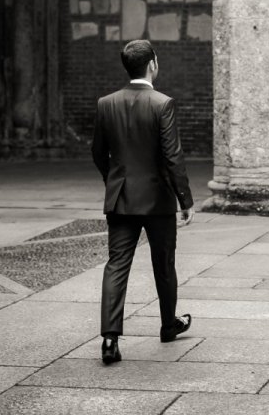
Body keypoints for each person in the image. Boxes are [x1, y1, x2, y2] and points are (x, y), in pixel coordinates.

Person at [92, 39, 194, 364]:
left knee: (116, 265)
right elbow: (172, 156)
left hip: (120, 197)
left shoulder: (105, 103)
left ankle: (110, 340)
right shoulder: (163, 103)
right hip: (158, 199)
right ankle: (168, 325)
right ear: (152, 64)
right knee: (163, 263)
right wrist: (185, 199)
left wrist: (114, 179)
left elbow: (98, 152)